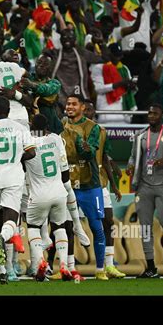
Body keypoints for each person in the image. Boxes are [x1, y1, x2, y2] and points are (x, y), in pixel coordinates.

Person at [0, 97, 36, 284]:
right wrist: (18, 157)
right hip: (13, 179)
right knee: (10, 220)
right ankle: (3, 240)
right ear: (9, 109)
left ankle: (1, 270)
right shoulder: (21, 128)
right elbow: (32, 152)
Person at [126, 103, 163, 278]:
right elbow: (133, 156)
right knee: (145, 228)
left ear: (162, 115)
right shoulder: (140, 135)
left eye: (155, 113)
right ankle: (151, 267)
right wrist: (130, 165)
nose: (151, 116)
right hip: (144, 186)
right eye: (149, 112)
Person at [60, 94, 108, 280]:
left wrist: (80, 141)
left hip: (89, 184)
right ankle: (67, 268)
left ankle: (100, 269)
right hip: (67, 185)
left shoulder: (93, 128)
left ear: (82, 107)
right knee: (64, 228)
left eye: (74, 104)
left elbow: (89, 153)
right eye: (68, 104)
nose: (69, 107)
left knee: (97, 227)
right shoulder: (60, 127)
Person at [25, 114, 73, 282]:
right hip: (59, 192)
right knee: (60, 228)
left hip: (39, 194)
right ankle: (65, 266)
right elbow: (65, 170)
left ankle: (40, 263)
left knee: (33, 227)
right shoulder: (56, 139)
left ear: (31, 127)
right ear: (47, 128)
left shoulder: (27, 142)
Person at [83, 100, 125, 279]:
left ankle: (109, 265)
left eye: (90, 109)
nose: (87, 111)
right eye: (84, 109)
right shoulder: (70, 128)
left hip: (100, 184)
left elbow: (105, 157)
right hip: (78, 185)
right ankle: (66, 265)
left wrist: (114, 185)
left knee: (108, 222)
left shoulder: (100, 131)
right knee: (67, 226)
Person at [20, 55, 63, 134]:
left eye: (45, 64)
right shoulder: (26, 78)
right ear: (35, 65)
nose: (41, 65)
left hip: (50, 127)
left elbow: (46, 90)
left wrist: (32, 85)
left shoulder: (55, 83)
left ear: (51, 68)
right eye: (39, 62)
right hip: (28, 125)